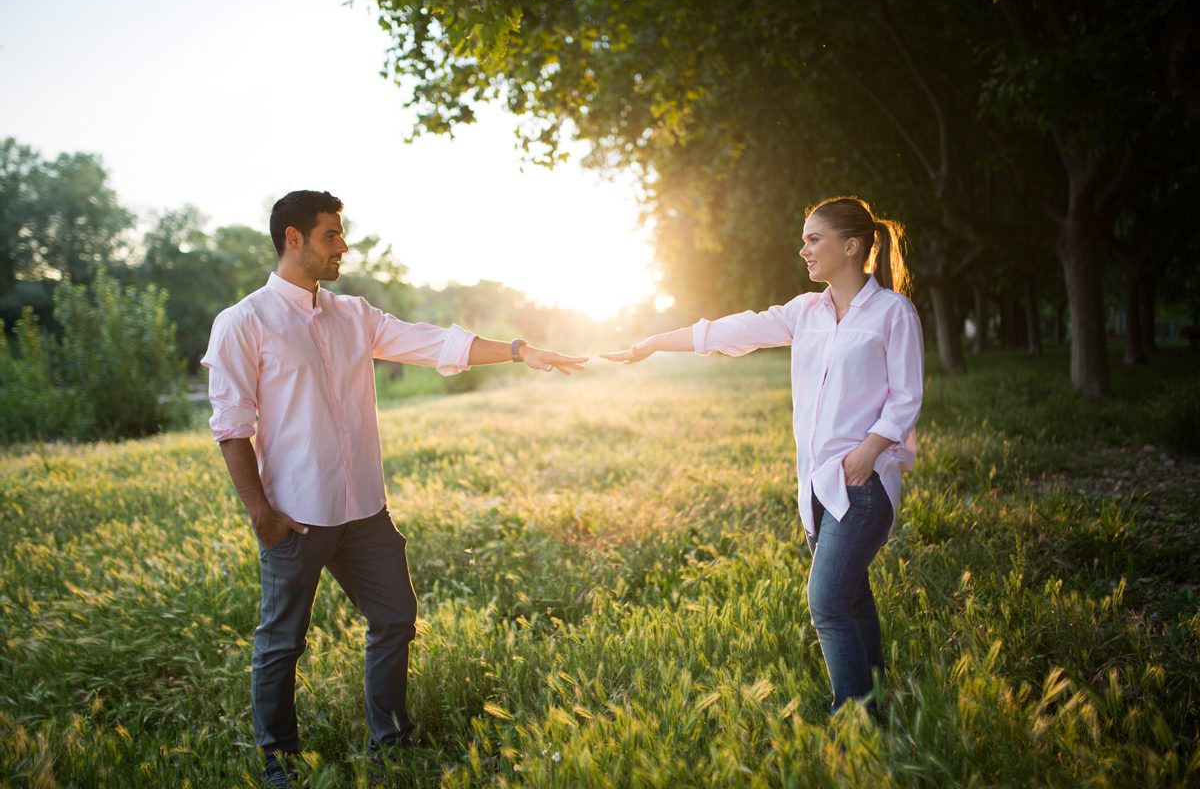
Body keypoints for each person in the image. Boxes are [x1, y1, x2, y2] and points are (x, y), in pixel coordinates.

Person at [201, 190, 587, 786]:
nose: (342, 246)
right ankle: (277, 757)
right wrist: (263, 517)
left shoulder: (353, 314)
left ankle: (391, 741)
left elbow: (435, 343)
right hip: (297, 517)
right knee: (282, 642)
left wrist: (517, 350)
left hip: (365, 512)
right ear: (293, 239)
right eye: (331, 234)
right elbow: (232, 428)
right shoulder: (243, 323)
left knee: (396, 617)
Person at [602, 196, 923, 716]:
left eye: (814, 239)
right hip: (818, 484)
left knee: (828, 602)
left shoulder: (893, 312)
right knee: (854, 599)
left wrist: (866, 454)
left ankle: (856, 722)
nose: (804, 250)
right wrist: (655, 341)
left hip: (864, 484)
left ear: (851, 245)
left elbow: (907, 398)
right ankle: (879, 701)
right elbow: (732, 329)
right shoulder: (805, 312)